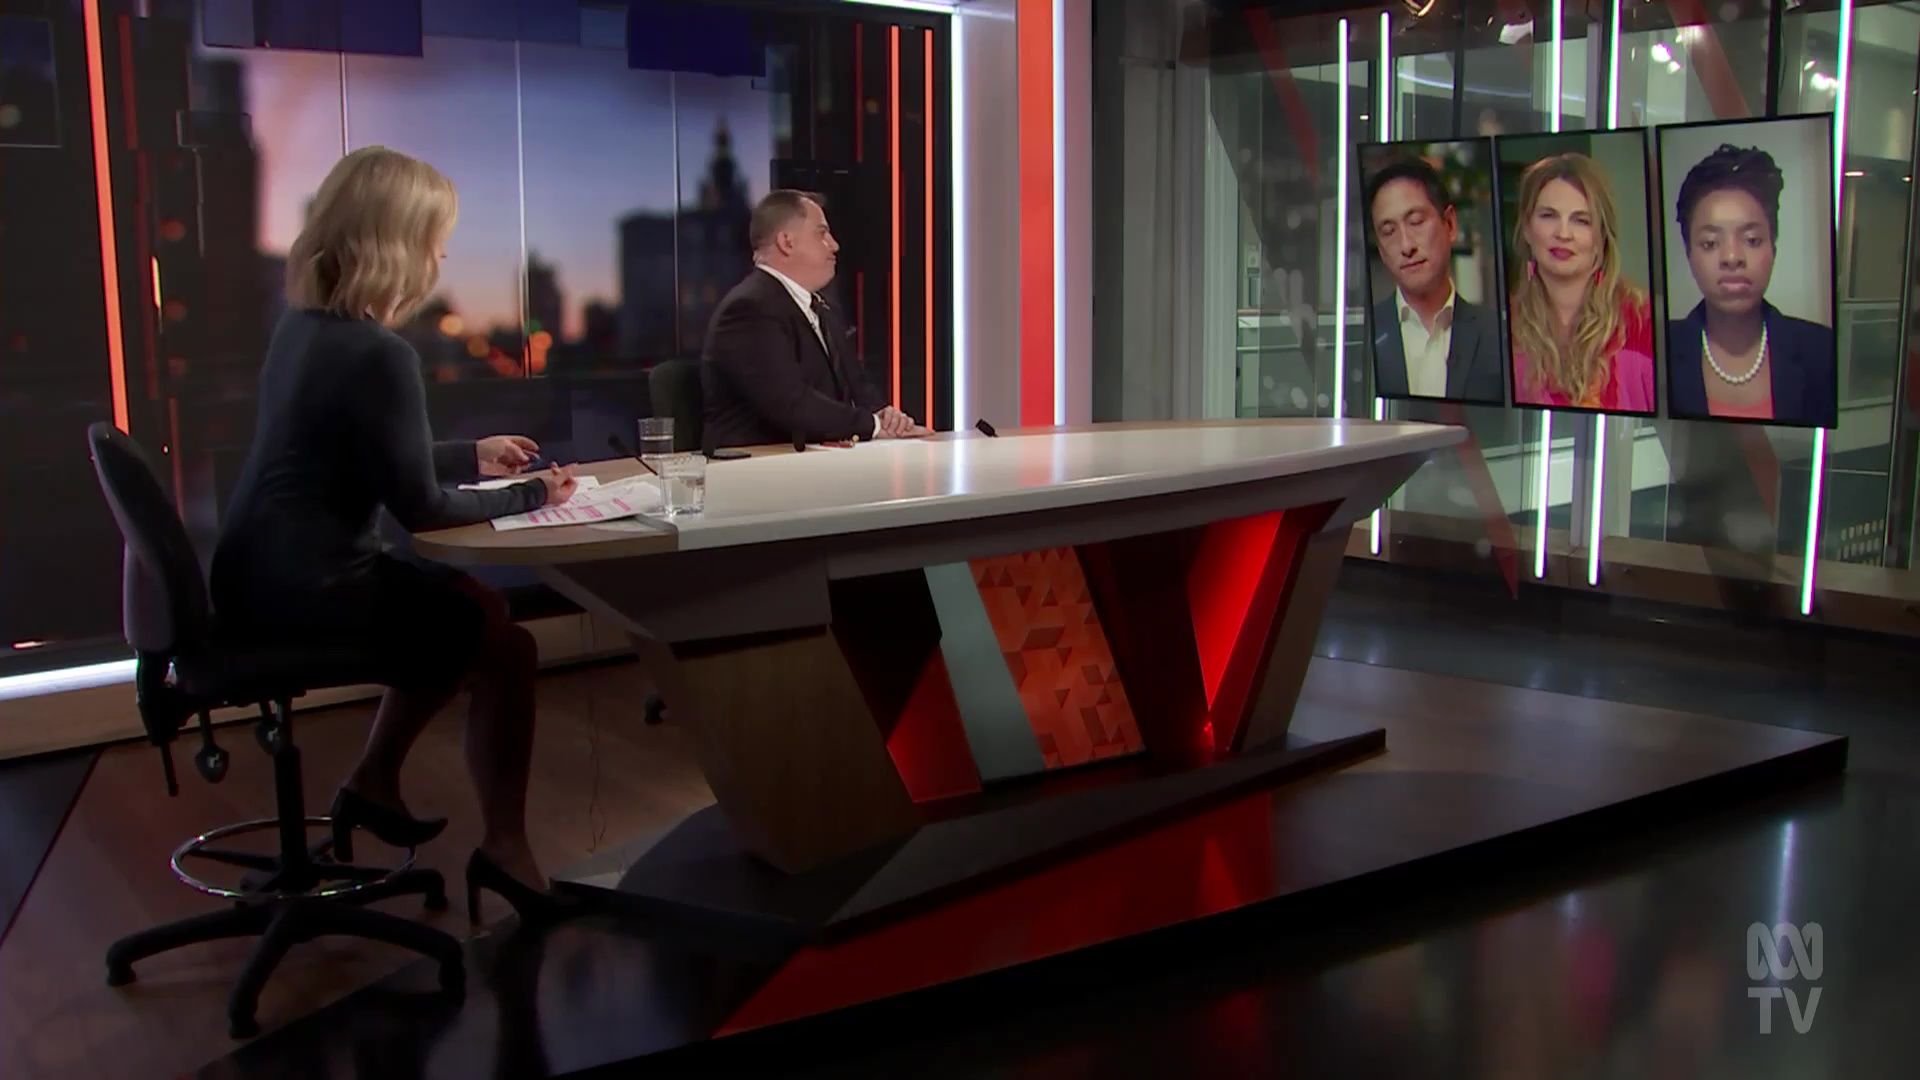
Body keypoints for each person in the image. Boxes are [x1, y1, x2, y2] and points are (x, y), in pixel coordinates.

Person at [211, 146, 577, 921]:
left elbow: (357, 452)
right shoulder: (379, 353)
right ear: (397, 241)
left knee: (474, 613)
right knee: (502, 642)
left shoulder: (304, 329)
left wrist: (470, 454)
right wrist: (534, 492)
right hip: (314, 588)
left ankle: (374, 782)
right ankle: (504, 851)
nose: (442, 255)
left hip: (256, 574)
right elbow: (424, 512)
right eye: (436, 238)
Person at [701, 190, 925, 447]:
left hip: (822, 457)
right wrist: (873, 425)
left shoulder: (821, 308)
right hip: (762, 463)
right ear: (787, 242)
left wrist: (886, 416)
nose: (834, 245)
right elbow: (791, 403)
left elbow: (858, 387)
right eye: (822, 234)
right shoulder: (749, 309)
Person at [1665, 143, 1835, 425]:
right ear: (1689, 255)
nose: (1732, 258)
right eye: (1710, 243)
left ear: (1773, 249)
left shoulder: (1823, 351)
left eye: (1752, 240)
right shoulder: (1657, 352)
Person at [1508, 152, 1656, 413]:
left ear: (1602, 237)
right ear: (1528, 229)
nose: (1563, 233)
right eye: (1548, 215)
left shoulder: (1644, 322)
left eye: (1581, 220)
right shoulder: (1505, 327)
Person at [1364, 156, 1506, 405]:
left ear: (1450, 224)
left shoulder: (1499, 337)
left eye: (1416, 222)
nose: (1406, 246)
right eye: (1388, 232)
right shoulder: (1362, 337)